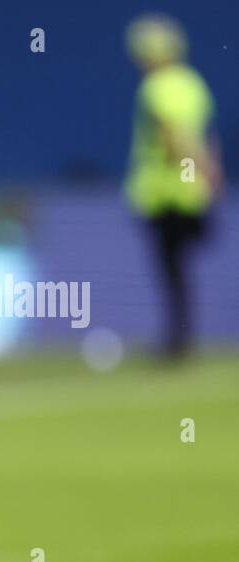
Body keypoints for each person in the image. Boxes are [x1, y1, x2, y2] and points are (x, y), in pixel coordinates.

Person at [125, 14, 220, 359]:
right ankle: (180, 337)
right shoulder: (193, 84)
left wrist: (198, 167)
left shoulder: (156, 87)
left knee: (170, 268)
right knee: (179, 266)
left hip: (164, 193)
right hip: (190, 190)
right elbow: (205, 134)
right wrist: (209, 173)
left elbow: (174, 136)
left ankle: (177, 340)